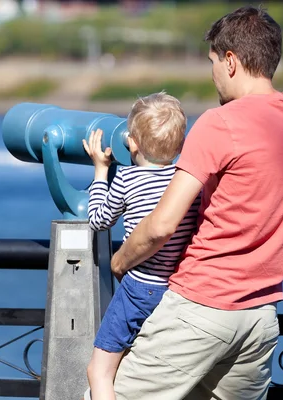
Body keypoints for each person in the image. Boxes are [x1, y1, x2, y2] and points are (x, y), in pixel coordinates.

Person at [109, 5, 283, 400]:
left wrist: (120, 261)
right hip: (260, 316)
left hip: (198, 307)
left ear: (230, 61)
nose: (212, 75)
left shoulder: (219, 122)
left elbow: (161, 225)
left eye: (212, 62)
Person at [81, 92, 201, 400]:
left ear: (131, 142)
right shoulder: (187, 184)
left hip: (137, 289)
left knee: (100, 371)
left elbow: (97, 220)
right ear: (180, 145)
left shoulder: (127, 179)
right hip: (176, 291)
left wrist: (99, 170)